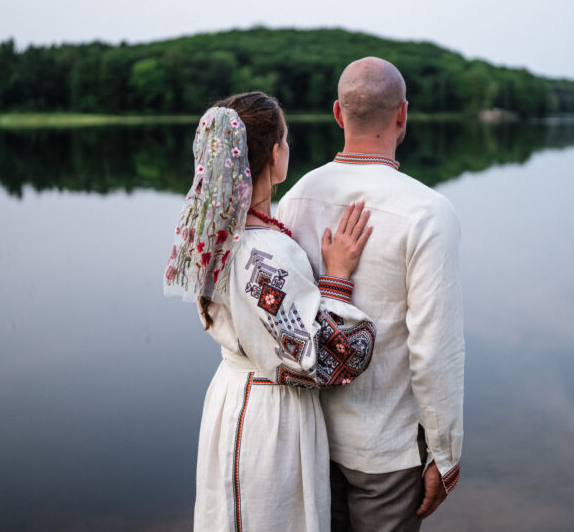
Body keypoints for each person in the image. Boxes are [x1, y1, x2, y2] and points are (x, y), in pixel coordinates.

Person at [164, 91, 376, 532]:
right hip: (269, 415)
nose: (288, 148)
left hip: (233, 394)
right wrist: (336, 278)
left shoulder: (221, 236)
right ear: (274, 155)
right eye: (286, 138)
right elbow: (331, 358)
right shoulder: (266, 253)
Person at [276, 57, 465, 531]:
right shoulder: (428, 212)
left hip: (309, 437)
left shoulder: (297, 196)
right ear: (403, 114)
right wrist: (445, 453)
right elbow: (433, 349)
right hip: (386, 451)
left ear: (338, 114)